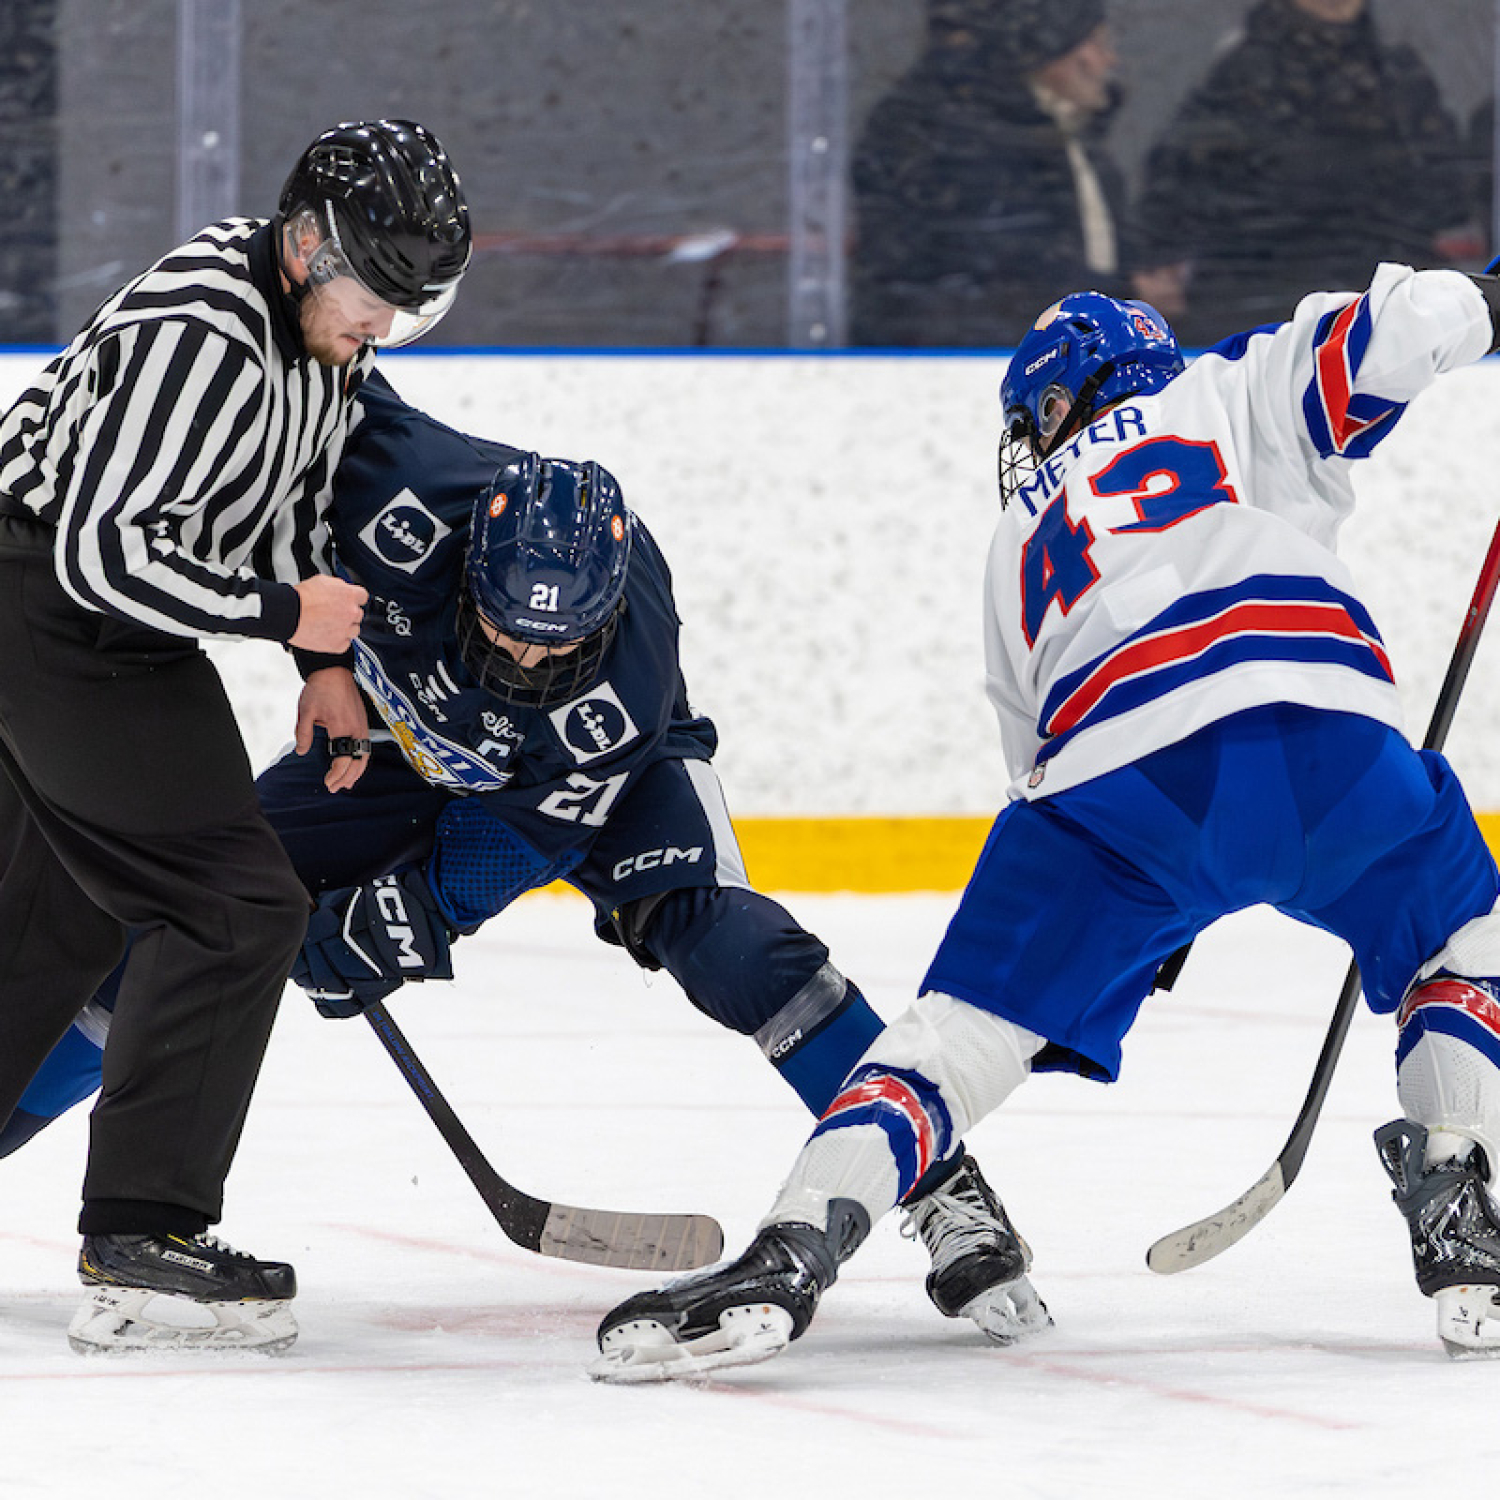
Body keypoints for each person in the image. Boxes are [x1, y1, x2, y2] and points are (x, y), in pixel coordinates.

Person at [5, 373, 1050, 1350]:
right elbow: (323, 376)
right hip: (403, 749)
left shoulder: (623, 683)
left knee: (737, 947)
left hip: (613, 782)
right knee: (196, 906)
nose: (528, 659)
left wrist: (389, 922)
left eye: (558, 647)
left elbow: (522, 836)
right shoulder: (399, 488)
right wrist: (327, 673)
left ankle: (941, 1185)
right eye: (504, 634)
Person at [589, 266, 1500, 1381]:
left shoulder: (1016, 537)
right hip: (1326, 742)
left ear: (1064, 397)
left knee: (953, 1043)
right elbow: (1406, 329)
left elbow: (1037, 762)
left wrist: (1148, 907)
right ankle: (1456, 1192)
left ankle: (791, 1251)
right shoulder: (1235, 388)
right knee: (1467, 938)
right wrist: (1485, 303)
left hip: (1113, 790)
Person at [0, 118, 471, 1353]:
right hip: (48, 607)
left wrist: (321, 661)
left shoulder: (319, 330)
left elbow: (290, 505)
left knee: (63, 907)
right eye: (378, 296)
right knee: (232, 906)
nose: (384, 327)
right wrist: (280, 614)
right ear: (310, 244)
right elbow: (100, 551)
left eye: (413, 310)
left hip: (69, 615)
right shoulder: (200, 333)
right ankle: (145, 1240)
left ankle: (140, 1225)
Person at [1134, 0, 1468, 344]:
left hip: (1386, 315)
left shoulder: (1397, 76)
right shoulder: (1240, 75)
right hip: (1269, 321)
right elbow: (1181, 194)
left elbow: (1449, 192)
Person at [850, 0, 1135, 347]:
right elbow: (990, 281)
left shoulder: (1073, 140)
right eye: (1097, 43)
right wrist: (1123, 295)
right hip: (970, 363)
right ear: (1048, 46)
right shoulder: (951, 135)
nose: (1110, 60)